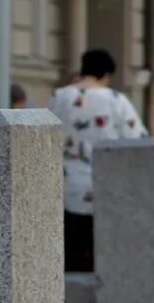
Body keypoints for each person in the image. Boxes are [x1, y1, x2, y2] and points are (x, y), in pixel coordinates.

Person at [48, 49, 147, 272]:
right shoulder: (116, 100)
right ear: (106, 75)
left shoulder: (59, 96)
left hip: (65, 188)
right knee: (100, 259)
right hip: (103, 188)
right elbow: (137, 140)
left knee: (69, 256)